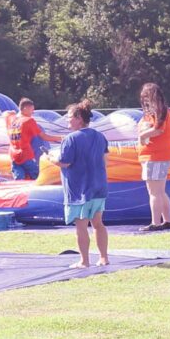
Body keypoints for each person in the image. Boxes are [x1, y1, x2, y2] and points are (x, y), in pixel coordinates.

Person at [44, 99, 110, 268]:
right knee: (98, 223)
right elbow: (105, 160)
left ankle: (84, 261)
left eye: (69, 117)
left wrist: (51, 158)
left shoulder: (71, 139)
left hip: (80, 190)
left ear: (79, 118)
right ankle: (103, 258)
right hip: (99, 187)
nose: (67, 121)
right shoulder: (100, 136)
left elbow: (65, 162)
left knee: (81, 226)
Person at [137, 82, 170, 231]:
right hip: (157, 156)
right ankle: (167, 220)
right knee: (160, 191)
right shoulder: (159, 111)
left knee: (154, 191)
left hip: (155, 156)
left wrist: (142, 135)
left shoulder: (160, 111)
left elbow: (158, 130)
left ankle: (155, 222)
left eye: (145, 97)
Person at [5, 97, 63, 180]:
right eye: (32, 109)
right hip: (26, 155)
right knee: (38, 177)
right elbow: (44, 137)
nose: (33, 112)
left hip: (14, 156)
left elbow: (7, 114)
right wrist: (61, 138)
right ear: (25, 109)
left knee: (19, 179)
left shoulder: (11, 119)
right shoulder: (29, 121)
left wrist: (13, 112)